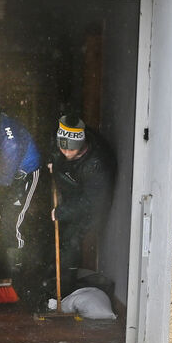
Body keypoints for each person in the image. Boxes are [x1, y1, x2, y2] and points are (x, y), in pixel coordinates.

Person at [0, 101, 46, 301]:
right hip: (7, 176)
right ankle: (5, 262)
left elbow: (4, 177)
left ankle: (19, 271)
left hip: (26, 174)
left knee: (12, 220)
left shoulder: (9, 142)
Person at [48, 115, 115, 297]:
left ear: (82, 146)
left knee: (71, 241)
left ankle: (63, 291)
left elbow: (92, 202)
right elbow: (55, 149)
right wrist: (52, 162)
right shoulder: (61, 141)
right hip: (70, 188)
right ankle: (50, 276)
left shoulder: (97, 164)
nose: (65, 153)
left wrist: (62, 211)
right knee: (52, 236)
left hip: (89, 205)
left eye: (70, 150)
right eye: (62, 147)